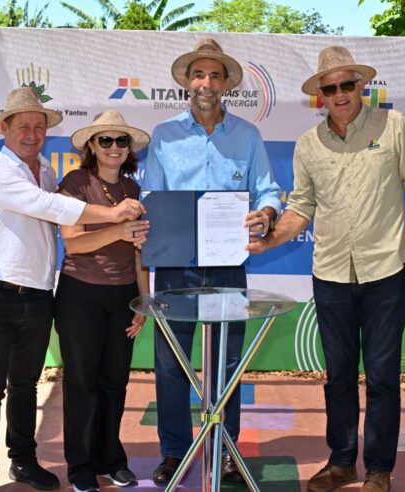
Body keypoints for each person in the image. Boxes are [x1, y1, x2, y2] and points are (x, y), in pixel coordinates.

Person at [248, 46, 405, 492]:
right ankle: (341, 462)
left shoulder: (393, 126)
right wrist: (268, 240)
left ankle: (379, 469)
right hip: (330, 274)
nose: (339, 94)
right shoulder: (309, 144)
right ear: (320, 95)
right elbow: (300, 208)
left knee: (383, 375)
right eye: (330, 88)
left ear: (361, 86)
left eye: (346, 84)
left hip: (385, 271)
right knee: (338, 375)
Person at [0, 88, 145, 492]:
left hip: (38, 294)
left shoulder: (45, 171)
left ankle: (24, 462)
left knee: (26, 384)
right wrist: (115, 218)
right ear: (5, 128)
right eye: (23, 126)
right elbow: (52, 211)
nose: (31, 134)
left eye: (38, 126)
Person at [142, 37, 282, 485]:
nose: (206, 82)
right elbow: (150, 196)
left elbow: (267, 190)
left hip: (226, 263)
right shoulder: (164, 136)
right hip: (174, 262)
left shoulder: (248, 135)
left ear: (225, 84)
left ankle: (225, 451)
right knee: (171, 361)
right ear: (187, 82)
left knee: (227, 363)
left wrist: (267, 213)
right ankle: (172, 452)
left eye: (214, 75)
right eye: (198, 74)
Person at [53, 111, 151, 492]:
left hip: (124, 295)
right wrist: (118, 229)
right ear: (91, 146)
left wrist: (144, 300)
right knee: (82, 384)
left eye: (120, 141)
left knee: (115, 382)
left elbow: (142, 250)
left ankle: (111, 459)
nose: (113, 148)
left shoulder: (134, 191)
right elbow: (73, 241)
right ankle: (80, 467)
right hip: (81, 294)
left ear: (129, 149)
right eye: (105, 140)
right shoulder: (74, 183)